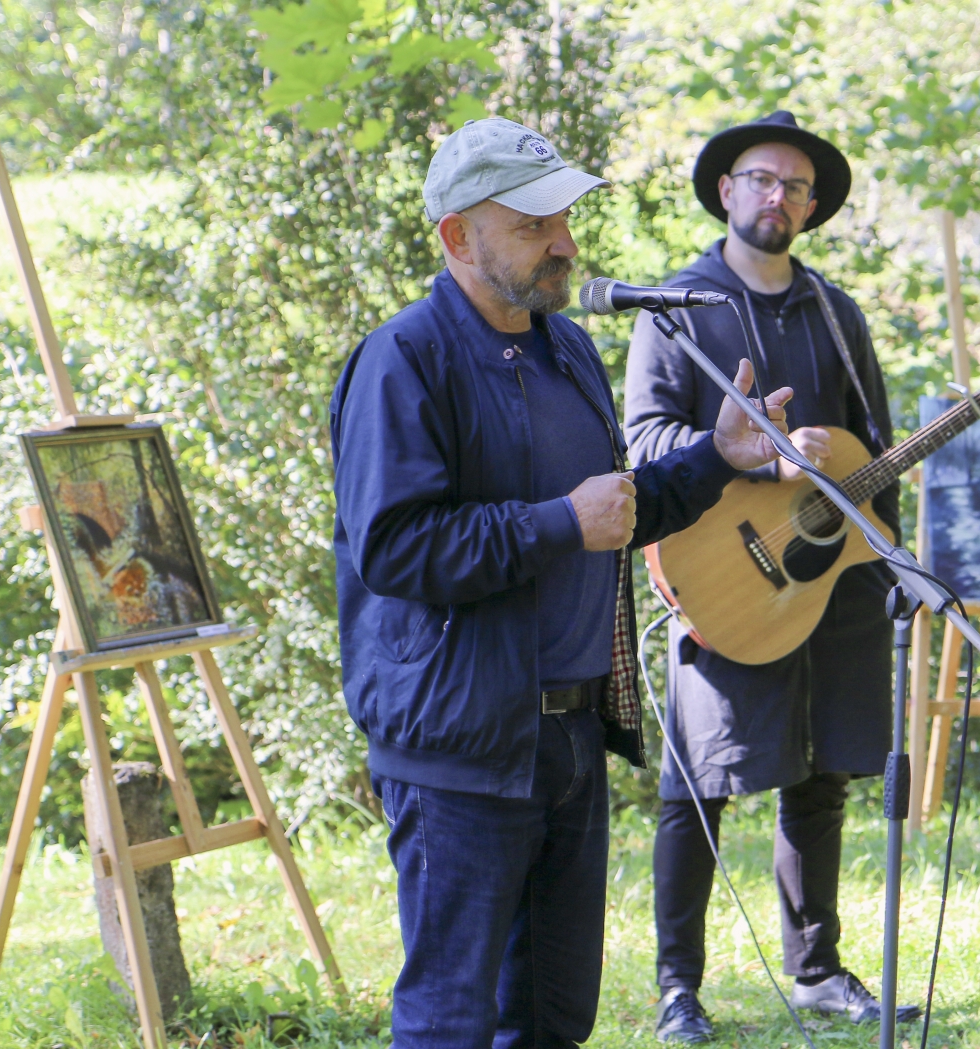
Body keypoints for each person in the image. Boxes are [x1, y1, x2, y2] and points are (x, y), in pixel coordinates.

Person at [330, 117, 792, 1049]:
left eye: (565, 218)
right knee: (451, 1016)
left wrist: (716, 457)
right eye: (534, 223)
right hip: (462, 747)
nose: (565, 243)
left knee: (552, 1015)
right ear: (459, 236)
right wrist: (558, 523)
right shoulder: (404, 359)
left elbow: (615, 512)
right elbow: (395, 549)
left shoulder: (568, 349)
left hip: (574, 734)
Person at [624, 111, 919, 1043]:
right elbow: (645, 441)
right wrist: (756, 460)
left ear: (811, 205)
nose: (776, 197)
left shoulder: (836, 311)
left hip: (828, 573)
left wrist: (895, 559)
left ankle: (817, 970)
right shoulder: (677, 308)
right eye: (760, 179)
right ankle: (679, 988)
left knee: (824, 769)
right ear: (726, 190)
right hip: (721, 573)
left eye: (795, 186)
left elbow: (871, 448)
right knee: (697, 785)